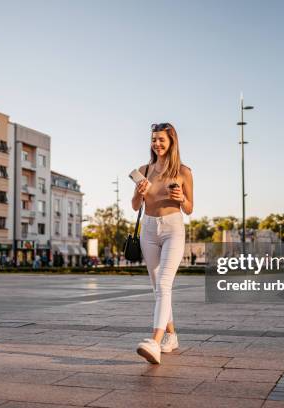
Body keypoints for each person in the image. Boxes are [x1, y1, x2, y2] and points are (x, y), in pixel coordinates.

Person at [132, 122, 193, 364]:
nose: (157, 144)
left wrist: (182, 198)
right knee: (158, 286)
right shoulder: (144, 170)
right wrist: (139, 191)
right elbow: (136, 206)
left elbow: (189, 208)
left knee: (165, 283)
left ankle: (154, 343)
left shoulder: (184, 171)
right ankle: (171, 335)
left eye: (161, 140)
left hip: (173, 228)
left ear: (171, 143)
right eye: (154, 139)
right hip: (148, 229)